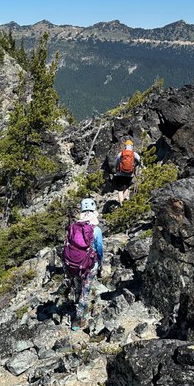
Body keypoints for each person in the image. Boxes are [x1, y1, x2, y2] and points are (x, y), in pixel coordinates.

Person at [66, 198, 104, 331]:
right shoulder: (96, 229)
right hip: (89, 265)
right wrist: (100, 262)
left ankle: (82, 309)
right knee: (85, 291)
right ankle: (77, 320)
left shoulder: (73, 227)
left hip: (74, 264)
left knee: (78, 288)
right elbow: (99, 248)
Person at [113, 139, 141, 204]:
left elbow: (116, 163)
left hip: (120, 174)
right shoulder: (134, 154)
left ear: (125, 146)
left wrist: (116, 170)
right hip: (129, 174)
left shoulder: (121, 153)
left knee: (120, 190)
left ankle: (121, 204)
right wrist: (136, 166)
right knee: (126, 188)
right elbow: (140, 160)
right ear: (132, 146)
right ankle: (123, 203)